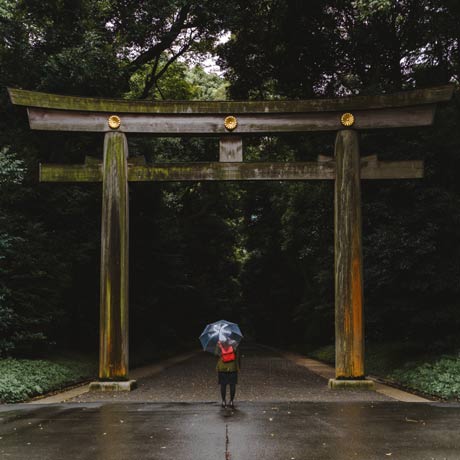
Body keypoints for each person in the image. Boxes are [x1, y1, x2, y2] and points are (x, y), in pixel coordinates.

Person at [216, 340, 241, 408]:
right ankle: (231, 401)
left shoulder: (219, 343)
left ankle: (223, 401)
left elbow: (216, 354)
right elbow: (238, 356)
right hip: (232, 368)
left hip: (222, 368)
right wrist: (239, 366)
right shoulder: (234, 343)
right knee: (232, 385)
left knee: (223, 385)